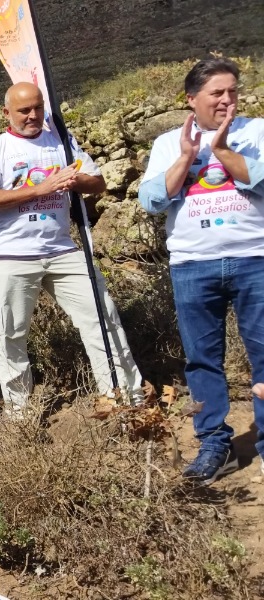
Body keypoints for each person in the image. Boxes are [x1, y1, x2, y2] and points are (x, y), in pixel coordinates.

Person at [0, 82, 143, 417]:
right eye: (24, 110)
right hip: (12, 255)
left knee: (102, 317)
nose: (33, 115)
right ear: (7, 113)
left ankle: (125, 398)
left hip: (63, 250)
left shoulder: (62, 143)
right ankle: (19, 415)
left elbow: (98, 183)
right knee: (10, 334)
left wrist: (76, 181)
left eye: (37, 108)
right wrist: (40, 188)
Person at [139, 57, 264, 484]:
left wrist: (224, 150)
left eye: (233, 91)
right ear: (192, 100)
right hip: (193, 263)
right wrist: (187, 156)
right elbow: (153, 200)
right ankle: (214, 443)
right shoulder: (167, 142)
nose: (228, 99)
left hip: (255, 258)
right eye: (217, 93)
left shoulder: (256, 131)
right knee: (202, 360)